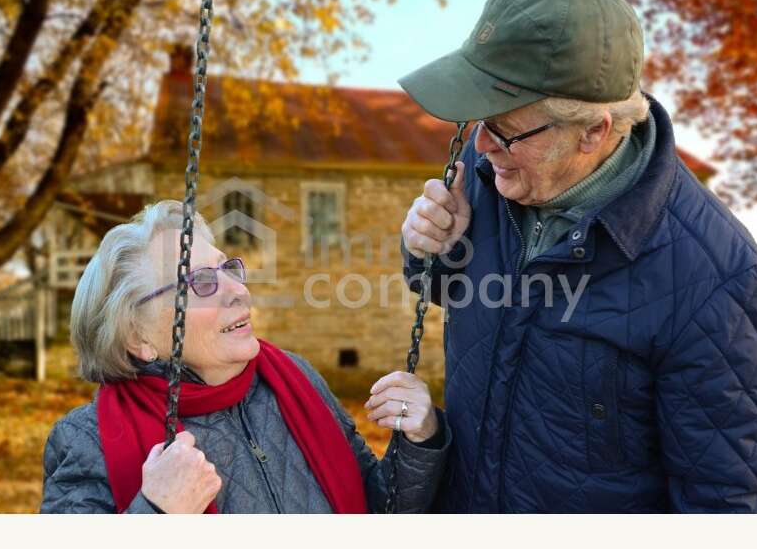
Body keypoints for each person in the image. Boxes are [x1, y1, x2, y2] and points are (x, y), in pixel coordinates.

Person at [399, 0, 757, 512]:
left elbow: (724, 500)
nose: (481, 145)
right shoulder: (490, 170)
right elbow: (443, 289)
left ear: (593, 132)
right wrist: (429, 248)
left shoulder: (715, 276)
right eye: (480, 122)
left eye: (504, 131)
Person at [41, 200, 450, 514]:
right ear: (137, 336)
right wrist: (156, 513)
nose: (238, 291)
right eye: (200, 282)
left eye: (228, 269)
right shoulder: (87, 439)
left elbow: (376, 509)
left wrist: (419, 440)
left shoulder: (294, 379)